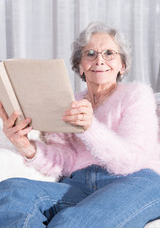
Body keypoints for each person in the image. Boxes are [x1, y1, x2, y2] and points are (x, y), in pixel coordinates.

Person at [0, 21, 160, 228]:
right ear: (80, 66)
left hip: (135, 181)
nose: (99, 60)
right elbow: (63, 162)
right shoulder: (68, 102)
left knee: (72, 222)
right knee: (12, 191)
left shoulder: (136, 95)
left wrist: (89, 127)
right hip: (78, 185)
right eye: (90, 54)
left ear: (123, 65)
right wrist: (26, 147)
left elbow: (129, 161)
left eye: (109, 53)